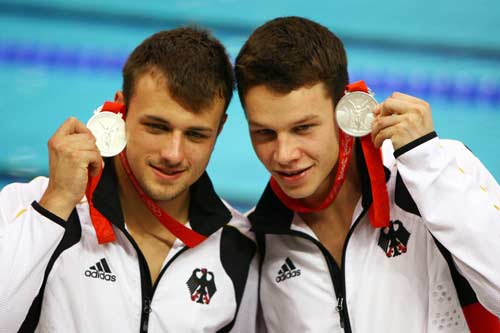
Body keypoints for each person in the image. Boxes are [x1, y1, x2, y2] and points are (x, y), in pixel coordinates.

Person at [234, 16, 500, 333]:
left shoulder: (435, 174)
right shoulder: (256, 239)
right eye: (264, 133)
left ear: (345, 112)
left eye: (303, 128)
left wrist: (427, 162)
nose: (284, 154)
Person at [0, 27, 258, 332]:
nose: (173, 154)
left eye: (196, 134)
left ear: (221, 127)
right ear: (121, 108)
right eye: (157, 127)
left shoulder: (237, 246)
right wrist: (56, 204)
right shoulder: (30, 209)